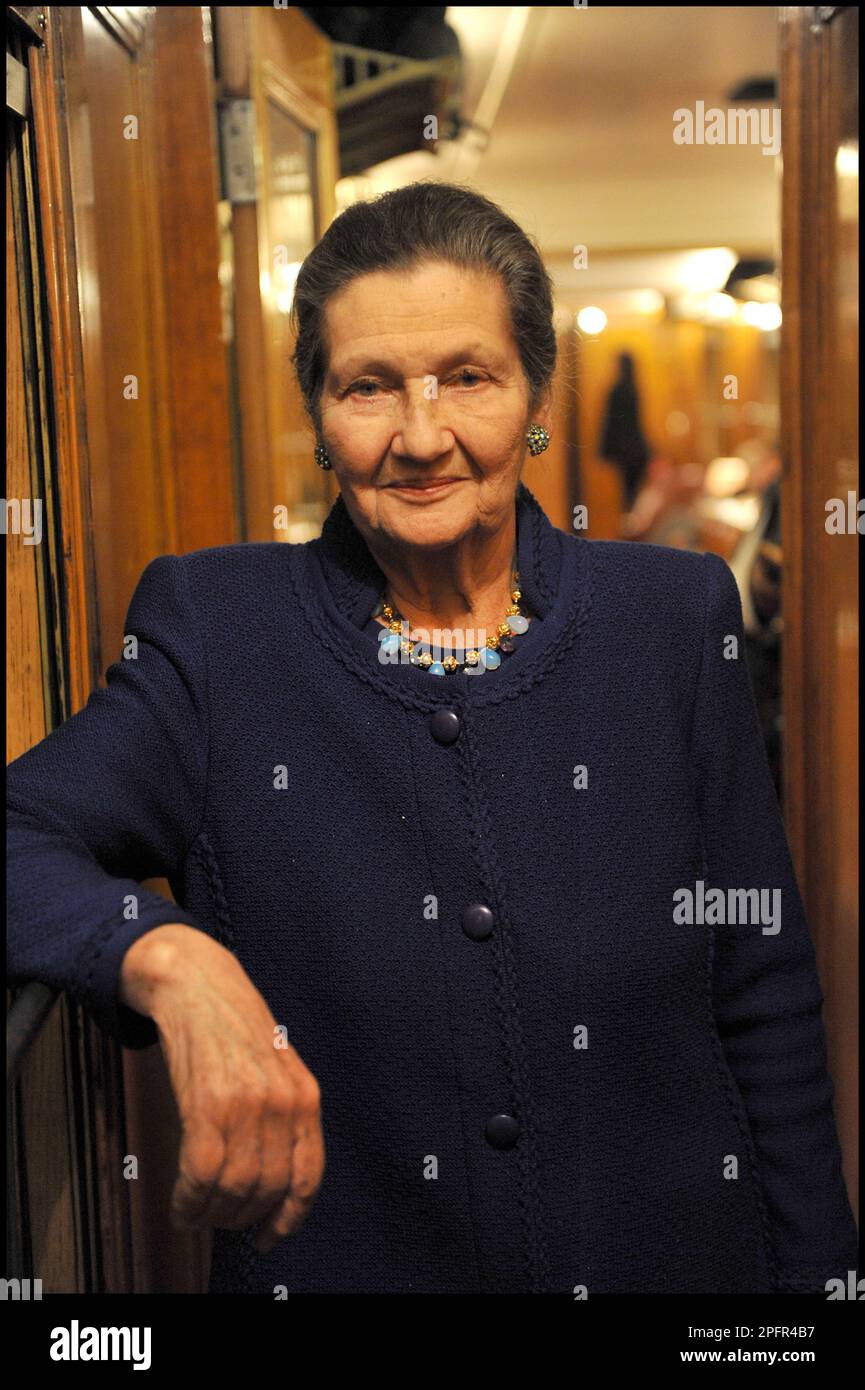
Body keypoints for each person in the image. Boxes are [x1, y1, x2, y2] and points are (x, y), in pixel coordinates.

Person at [7, 182, 857, 1295]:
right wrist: (170, 958)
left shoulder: (673, 616)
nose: (421, 437)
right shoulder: (218, 632)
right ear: (318, 415)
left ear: (534, 394)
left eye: (468, 377)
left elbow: (763, 991)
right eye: (368, 387)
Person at [598, 351, 652, 511]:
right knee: (632, 495)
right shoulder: (632, 389)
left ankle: (631, 526)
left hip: (625, 451)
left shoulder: (618, 391)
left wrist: (604, 450)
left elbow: (611, 422)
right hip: (635, 451)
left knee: (629, 496)